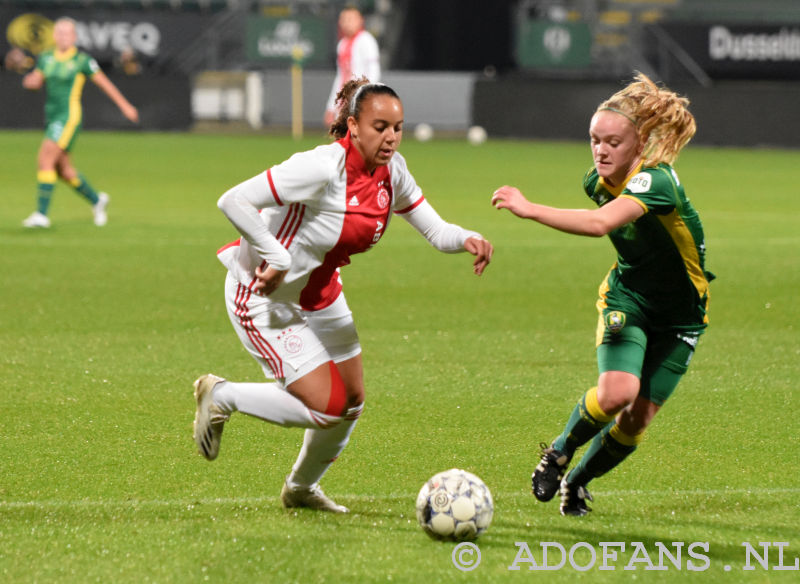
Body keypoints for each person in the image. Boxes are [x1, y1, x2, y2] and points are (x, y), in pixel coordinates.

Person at [193, 78, 493, 513]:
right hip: (263, 297)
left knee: (352, 402)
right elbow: (233, 200)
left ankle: (300, 489)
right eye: (379, 126)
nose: (390, 137)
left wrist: (468, 237)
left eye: (398, 127)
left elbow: (436, 229)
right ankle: (222, 396)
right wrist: (274, 253)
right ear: (352, 125)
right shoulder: (320, 168)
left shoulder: (393, 171)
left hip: (321, 293)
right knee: (328, 406)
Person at [491, 73, 713, 516]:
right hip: (628, 299)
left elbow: (599, 225)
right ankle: (557, 453)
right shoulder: (596, 182)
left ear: (639, 143)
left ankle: (577, 481)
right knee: (617, 393)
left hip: (682, 318)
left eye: (613, 142)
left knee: (634, 423)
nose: (601, 150)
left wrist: (529, 207)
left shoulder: (658, 181)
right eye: (595, 139)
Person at [21, 17, 139, 229]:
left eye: (67, 33)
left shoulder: (82, 60)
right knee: (64, 170)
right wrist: (30, 82)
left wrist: (125, 106)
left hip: (68, 117)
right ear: (54, 36)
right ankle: (97, 201)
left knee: (45, 159)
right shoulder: (46, 58)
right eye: (59, 33)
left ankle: (41, 215)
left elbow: (105, 84)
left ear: (74, 37)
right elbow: (36, 81)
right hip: (52, 116)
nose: (62, 37)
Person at [323, 6, 380, 127]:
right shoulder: (342, 44)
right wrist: (331, 106)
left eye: (351, 19)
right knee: (342, 139)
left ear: (360, 20)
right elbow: (340, 77)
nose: (347, 23)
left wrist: (365, 97)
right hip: (345, 99)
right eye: (344, 19)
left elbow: (374, 72)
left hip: (361, 98)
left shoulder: (366, 41)